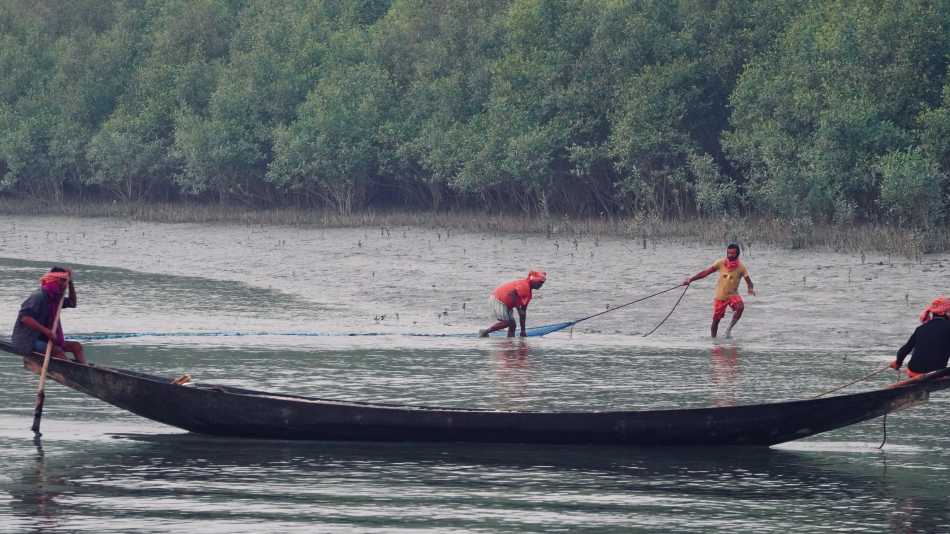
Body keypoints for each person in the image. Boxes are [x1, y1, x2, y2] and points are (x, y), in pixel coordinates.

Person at [11, 267, 86, 364]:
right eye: (62, 281)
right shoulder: (39, 296)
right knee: (57, 351)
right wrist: (47, 331)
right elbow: (25, 318)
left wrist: (71, 282)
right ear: (53, 280)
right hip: (29, 340)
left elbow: (72, 303)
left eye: (66, 281)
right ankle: (74, 372)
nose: (65, 285)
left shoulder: (55, 297)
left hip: (44, 338)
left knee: (76, 346)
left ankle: (86, 371)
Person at [683, 244, 755, 338]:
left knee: (740, 307)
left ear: (737, 254)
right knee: (715, 321)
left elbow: (749, 282)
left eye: (732, 253)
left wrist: (750, 288)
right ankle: (714, 342)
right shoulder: (720, 263)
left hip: (733, 295)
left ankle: (728, 330)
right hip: (720, 296)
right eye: (728, 253)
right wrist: (691, 279)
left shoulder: (741, 267)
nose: (730, 255)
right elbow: (706, 272)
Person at [890, 296, 950, 378]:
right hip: (936, 373)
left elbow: (904, 350)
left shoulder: (920, 328)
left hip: (914, 372)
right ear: (945, 312)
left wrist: (898, 363)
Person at [479, 271, 547, 337]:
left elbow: (523, 313)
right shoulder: (524, 285)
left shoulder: (529, 294)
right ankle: (484, 332)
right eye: (539, 282)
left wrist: (523, 331)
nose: (540, 285)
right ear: (533, 280)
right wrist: (518, 309)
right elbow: (511, 294)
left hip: (506, 304)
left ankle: (510, 340)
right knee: (508, 322)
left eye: (542, 283)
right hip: (498, 299)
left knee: (512, 325)